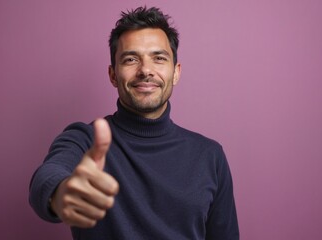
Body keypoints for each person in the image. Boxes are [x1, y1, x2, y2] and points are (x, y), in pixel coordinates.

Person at [29, 6, 239, 240]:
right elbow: (48, 175)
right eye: (131, 59)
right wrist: (60, 194)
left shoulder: (210, 155)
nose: (145, 70)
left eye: (159, 58)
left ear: (176, 72)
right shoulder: (86, 139)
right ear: (113, 75)